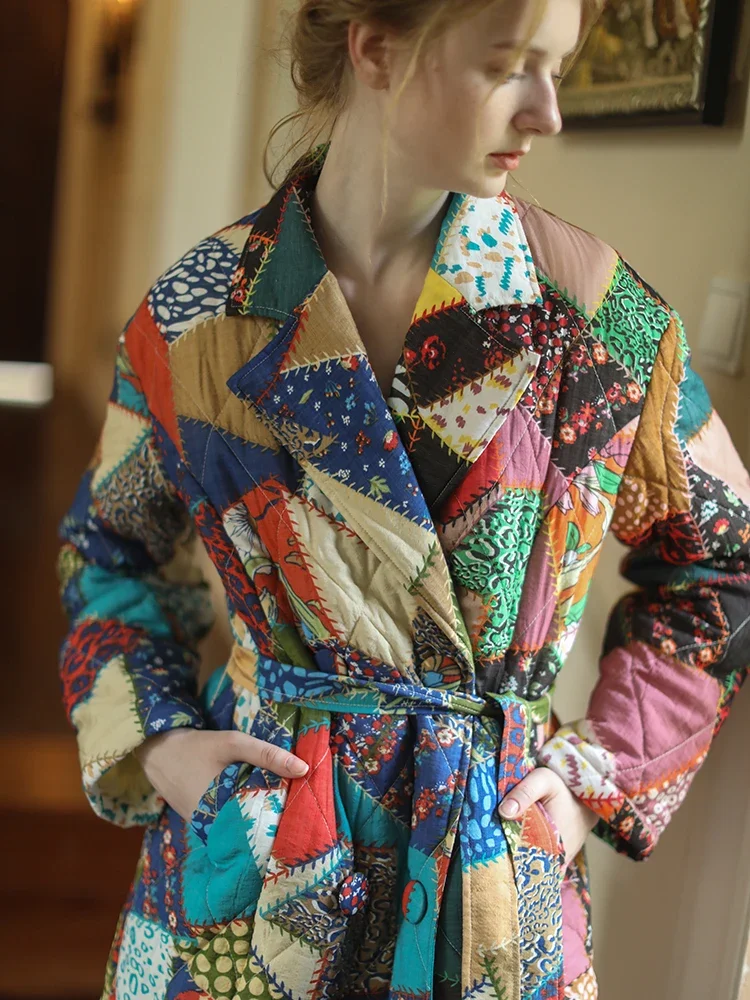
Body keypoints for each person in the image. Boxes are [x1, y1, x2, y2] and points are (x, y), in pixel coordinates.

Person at [57, 0, 750, 997]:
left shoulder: (593, 316)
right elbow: (109, 551)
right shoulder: (198, 312)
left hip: (486, 877)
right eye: (508, 65)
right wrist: (162, 742)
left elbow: (722, 558)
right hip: (252, 862)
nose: (547, 113)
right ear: (376, 48)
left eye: (556, 70)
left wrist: (591, 782)